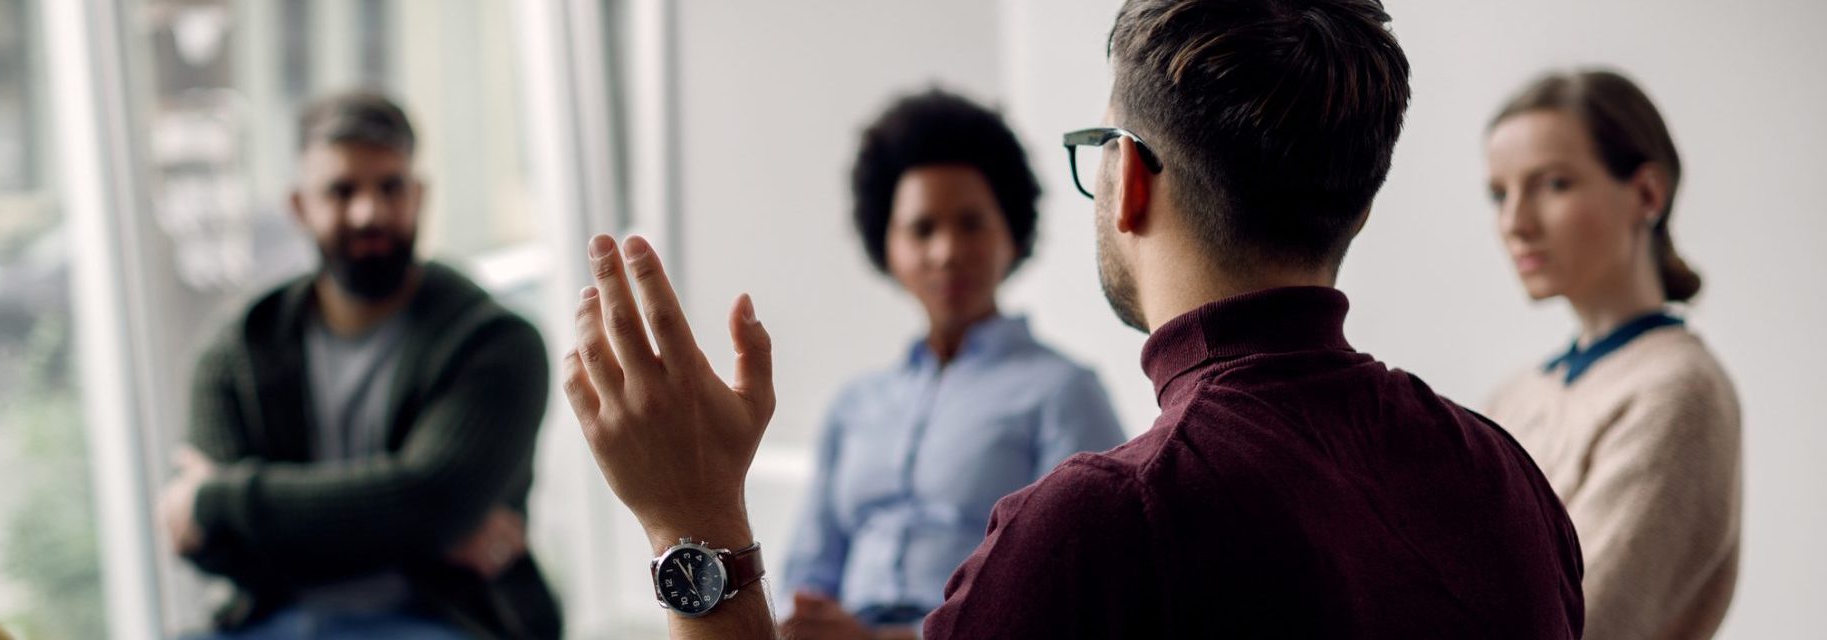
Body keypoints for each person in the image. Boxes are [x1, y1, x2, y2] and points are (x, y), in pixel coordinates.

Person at [559, 0, 1584, 637]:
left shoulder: (1100, 526)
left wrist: (692, 528)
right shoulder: (1505, 478)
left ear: (1125, 179)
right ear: (1357, 200)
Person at [157, 91, 562, 639]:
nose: (368, 211)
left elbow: (429, 503)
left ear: (419, 197)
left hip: (441, 620)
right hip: (271, 621)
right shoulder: (234, 353)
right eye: (341, 191)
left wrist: (223, 499)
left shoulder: (495, 343)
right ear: (299, 206)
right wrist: (411, 529)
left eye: (390, 187)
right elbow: (208, 547)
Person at [777, 90, 1124, 640]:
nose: (946, 251)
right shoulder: (854, 405)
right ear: (887, 245)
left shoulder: (1063, 393)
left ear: (1011, 233)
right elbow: (807, 577)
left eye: (971, 223)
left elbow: (1071, 591)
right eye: (921, 229)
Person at [1484, 69, 1741, 640]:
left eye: (1553, 184)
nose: (1515, 222)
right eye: (1500, 193)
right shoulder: (1515, 395)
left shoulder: (1677, 392)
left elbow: (1580, 625)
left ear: (1647, 194)